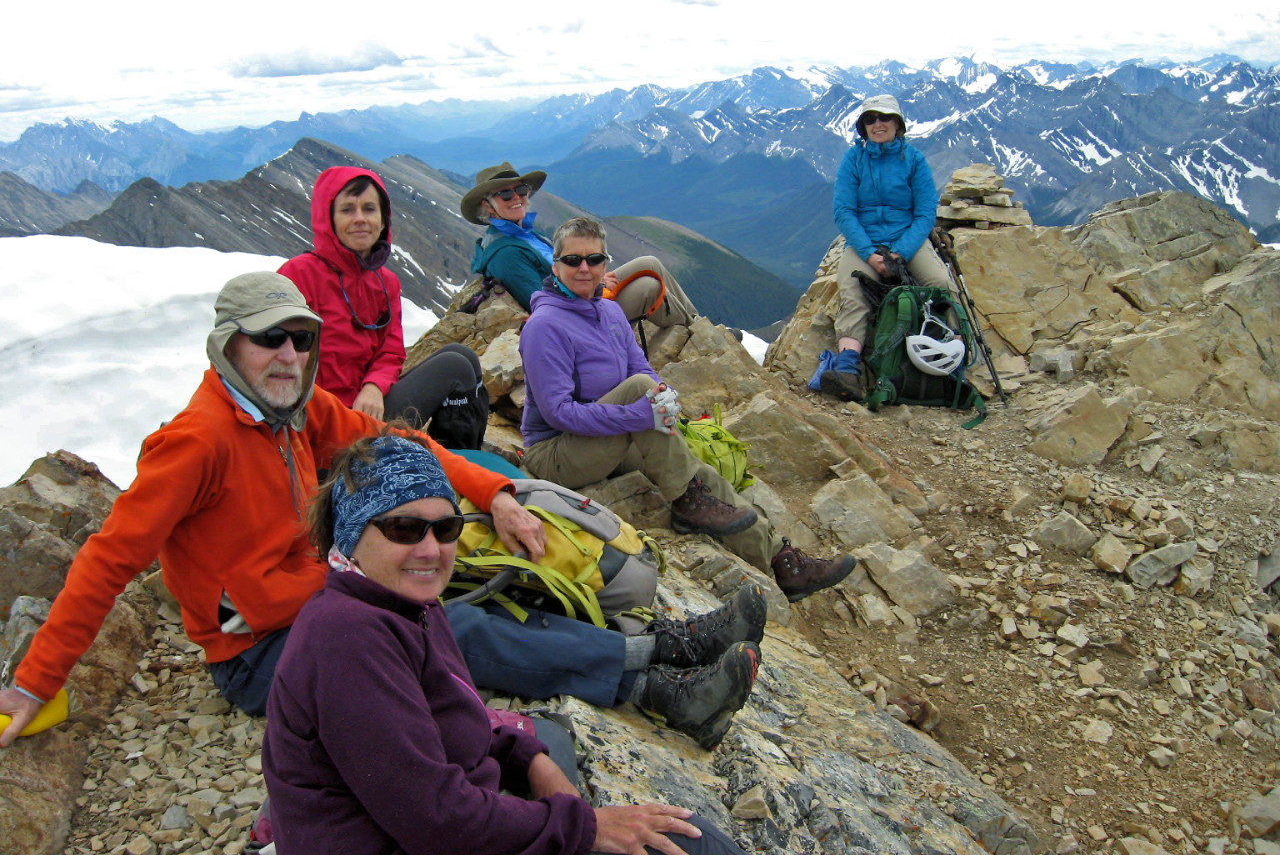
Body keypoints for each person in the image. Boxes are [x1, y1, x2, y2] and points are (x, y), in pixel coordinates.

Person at [0, 273, 761, 749]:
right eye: (269, 341)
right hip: (259, 655)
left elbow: (398, 444)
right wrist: (32, 685)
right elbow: (108, 560)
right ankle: (656, 688)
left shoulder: (293, 408)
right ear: (226, 347)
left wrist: (494, 494)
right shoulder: (194, 446)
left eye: (301, 339)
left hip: (322, 596)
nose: (290, 356)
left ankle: (670, 643)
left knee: (465, 573)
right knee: (446, 626)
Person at [262, 433, 753, 855]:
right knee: (686, 840)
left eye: (445, 528)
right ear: (352, 533)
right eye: (404, 529)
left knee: (549, 741)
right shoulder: (347, 639)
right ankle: (662, 669)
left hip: (434, 822)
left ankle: (660, 660)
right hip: (419, 838)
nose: (430, 550)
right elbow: (438, 822)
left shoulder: (404, 603)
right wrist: (585, 828)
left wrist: (528, 759)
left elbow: (461, 718)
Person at [518, 215, 857, 604]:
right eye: (573, 260)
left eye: (594, 259)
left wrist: (663, 394)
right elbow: (560, 413)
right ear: (555, 265)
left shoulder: (609, 313)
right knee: (643, 398)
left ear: (605, 264)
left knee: (699, 472)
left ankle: (782, 561)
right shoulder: (545, 326)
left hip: (605, 440)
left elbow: (640, 367)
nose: (584, 268)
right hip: (556, 453)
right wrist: (641, 412)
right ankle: (686, 503)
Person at [280, 166, 487, 448]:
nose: (360, 219)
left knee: (463, 355)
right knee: (455, 367)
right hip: (325, 426)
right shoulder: (299, 275)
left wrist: (374, 385)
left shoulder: (385, 281)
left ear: (382, 218)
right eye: (347, 210)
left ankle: (447, 459)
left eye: (369, 209)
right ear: (327, 218)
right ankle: (447, 463)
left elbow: (390, 348)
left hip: (370, 408)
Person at [820, 95, 956, 401]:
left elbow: (925, 213)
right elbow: (844, 211)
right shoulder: (853, 160)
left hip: (906, 239)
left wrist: (900, 254)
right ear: (863, 127)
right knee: (852, 290)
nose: (877, 124)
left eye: (884, 118)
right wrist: (870, 255)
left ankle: (951, 353)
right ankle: (848, 369)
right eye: (870, 119)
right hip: (866, 242)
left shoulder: (914, 160)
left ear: (898, 124)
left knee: (941, 284)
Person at [462, 161, 698, 327]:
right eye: (505, 194)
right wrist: (594, 287)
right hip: (579, 316)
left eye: (520, 190)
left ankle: (696, 322)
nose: (516, 197)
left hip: (586, 292)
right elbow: (544, 304)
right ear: (488, 205)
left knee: (650, 263)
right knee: (648, 288)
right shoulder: (506, 254)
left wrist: (592, 280)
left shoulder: (520, 234)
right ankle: (692, 334)